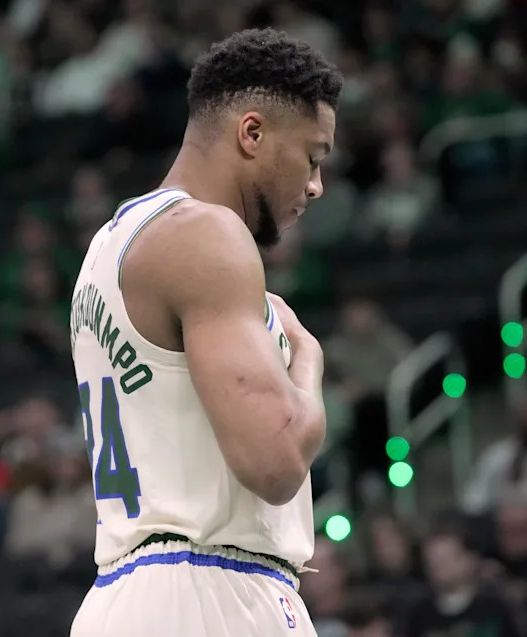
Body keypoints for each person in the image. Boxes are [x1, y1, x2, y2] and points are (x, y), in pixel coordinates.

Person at [68, 28, 340, 637]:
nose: (316, 185)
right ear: (252, 134)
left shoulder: (109, 244)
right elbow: (274, 462)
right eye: (313, 157)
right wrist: (308, 362)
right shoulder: (208, 236)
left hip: (124, 594)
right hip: (209, 591)